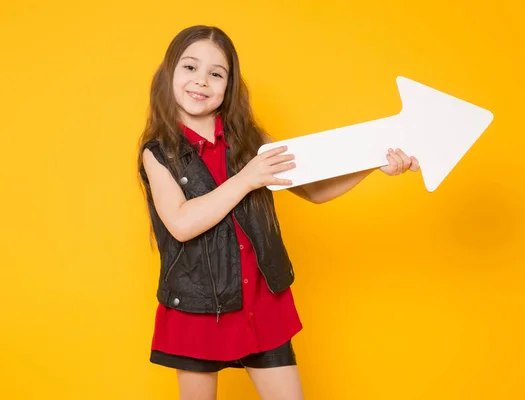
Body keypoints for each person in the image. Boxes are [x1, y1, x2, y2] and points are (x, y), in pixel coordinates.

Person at [137, 25, 420, 400]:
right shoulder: (158, 153)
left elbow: (315, 190)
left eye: (216, 73)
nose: (201, 81)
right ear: (169, 72)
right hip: (197, 304)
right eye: (190, 68)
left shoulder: (255, 143)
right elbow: (182, 223)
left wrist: (372, 164)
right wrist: (248, 178)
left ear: (230, 85)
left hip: (262, 302)